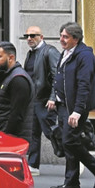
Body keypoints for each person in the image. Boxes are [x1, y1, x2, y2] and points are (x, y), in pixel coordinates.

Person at [47, 22, 95, 188]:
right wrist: (54, 98)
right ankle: (71, 183)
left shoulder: (85, 56)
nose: (61, 39)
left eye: (65, 37)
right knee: (69, 144)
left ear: (76, 39)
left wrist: (77, 111)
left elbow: (84, 85)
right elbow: (58, 77)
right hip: (63, 105)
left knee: (69, 141)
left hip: (74, 107)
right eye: (61, 35)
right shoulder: (66, 53)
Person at [21, 26, 61, 176]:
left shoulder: (49, 52)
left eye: (33, 35)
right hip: (33, 99)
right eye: (27, 35)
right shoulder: (30, 54)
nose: (29, 38)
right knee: (33, 133)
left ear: (41, 37)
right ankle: (33, 164)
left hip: (45, 100)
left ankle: (75, 156)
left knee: (52, 132)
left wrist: (53, 98)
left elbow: (57, 77)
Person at [0, 41, 33, 142]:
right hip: (4, 137)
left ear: (11, 58)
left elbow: (17, 116)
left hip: (11, 140)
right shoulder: (8, 76)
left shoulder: (18, 79)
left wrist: (6, 138)